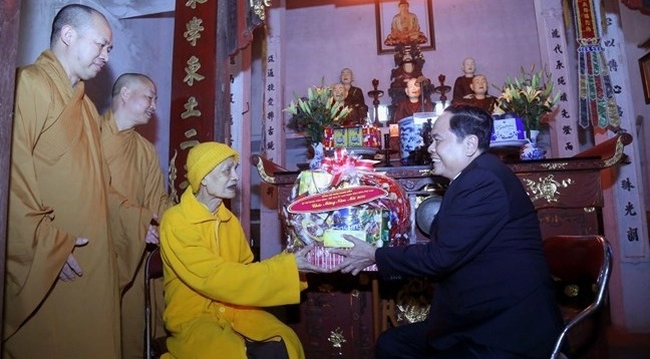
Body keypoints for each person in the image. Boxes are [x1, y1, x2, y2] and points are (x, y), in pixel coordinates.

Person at [333, 106, 564, 358]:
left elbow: (440, 257)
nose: (430, 148)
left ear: (469, 144)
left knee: (395, 347)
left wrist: (375, 254)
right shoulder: (475, 176)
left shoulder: (482, 181)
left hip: (506, 330)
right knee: (392, 344)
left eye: (437, 140)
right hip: (482, 315)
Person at [5, 4, 156, 358]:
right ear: (68, 36)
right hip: (53, 261)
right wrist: (48, 244)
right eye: (101, 45)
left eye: (109, 49)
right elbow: (11, 178)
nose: (106, 55)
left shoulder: (87, 109)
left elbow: (100, 184)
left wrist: (134, 221)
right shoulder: (27, 85)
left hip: (93, 259)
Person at [159, 142, 331, 359]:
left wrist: (290, 265)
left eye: (235, 169)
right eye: (226, 171)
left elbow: (246, 270)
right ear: (203, 177)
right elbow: (214, 278)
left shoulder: (229, 221)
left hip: (236, 310)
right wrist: (285, 268)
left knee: (284, 341)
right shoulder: (176, 221)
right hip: (193, 319)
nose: (235, 177)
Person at [101, 73, 175, 358]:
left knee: (129, 332)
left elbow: (158, 199)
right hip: (98, 245)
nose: (154, 105)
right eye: (149, 97)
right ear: (126, 95)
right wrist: (135, 221)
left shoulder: (144, 149)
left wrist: (182, 223)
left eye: (155, 99)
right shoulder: (91, 134)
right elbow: (88, 190)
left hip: (134, 250)